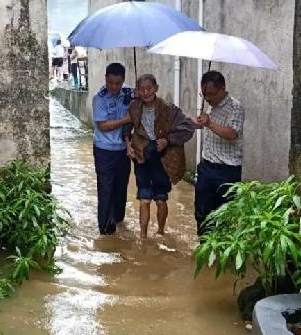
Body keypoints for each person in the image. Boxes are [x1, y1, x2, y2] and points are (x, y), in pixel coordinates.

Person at [124, 74, 194, 238]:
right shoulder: (134, 107)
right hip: (141, 157)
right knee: (144, 198)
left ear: (156, 88)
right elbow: (126, 128)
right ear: (138, 90)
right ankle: (143, 237)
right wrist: (128, 145)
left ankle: (161, 232)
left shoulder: (169, 109)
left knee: (161, 199)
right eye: (142, 89)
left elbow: (187, 129)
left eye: (149, 88)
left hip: (162, 160)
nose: (146, 92)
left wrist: (168, 140)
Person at [191, 70, 245, 235]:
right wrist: (197, 123)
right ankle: (204, 248)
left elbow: (232, 133)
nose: (208, 98)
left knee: (224, 215)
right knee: (202, 212)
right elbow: (210, 127)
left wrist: (209, 124)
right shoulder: (211, 105)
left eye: (211, 94)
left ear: (223, 89)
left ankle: (221, 253)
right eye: (204, 94)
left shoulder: (235, 107)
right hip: (207, 166)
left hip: (227, 170)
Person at [92, 63, 133, 235]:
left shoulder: (131, 94)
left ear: (123, 80)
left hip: (124, 150)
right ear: (106, 79)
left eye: (118, 83)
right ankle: (105, 230)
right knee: (106, 188)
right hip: (104, 150)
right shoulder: (99, 98)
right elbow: (103, 125)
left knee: (121, 187)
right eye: (111, 83)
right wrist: (125, 120)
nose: (114, 87)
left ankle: (118, 221)